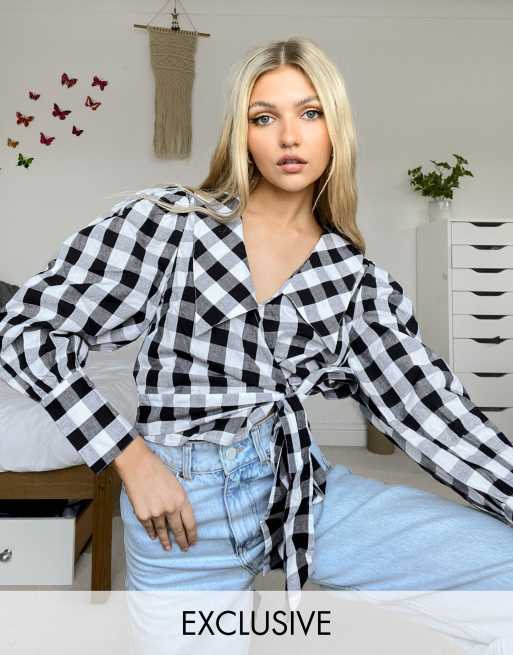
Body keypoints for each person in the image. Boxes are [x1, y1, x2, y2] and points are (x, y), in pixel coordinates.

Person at [1, 35, 513, 652]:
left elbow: (436, 417)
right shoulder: (170, 224)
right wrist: (130, 459)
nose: (289, 137)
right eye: (264, 118)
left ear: (335, 129)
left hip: (300, 490)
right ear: (241, 134)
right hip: (178, 516)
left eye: (310, 113)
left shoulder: (355, 281)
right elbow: (27, 332)